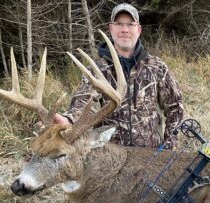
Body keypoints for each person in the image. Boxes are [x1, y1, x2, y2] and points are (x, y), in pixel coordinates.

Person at [55, 3, 183, 149]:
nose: (124, 29)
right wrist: (68, 120)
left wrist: (169, 145)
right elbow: (83, 104)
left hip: (150, 157)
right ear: (111, 28)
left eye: (130, 24)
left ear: (139, 29)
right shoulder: (97, 70)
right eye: (119, 24)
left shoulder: (157, 67)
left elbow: (175, 108)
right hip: (110, 159)